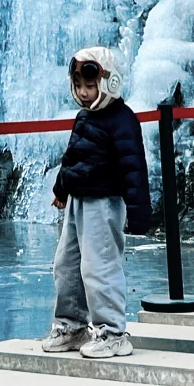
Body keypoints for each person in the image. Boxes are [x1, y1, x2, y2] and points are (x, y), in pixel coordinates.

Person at [41, 46, 151, 358]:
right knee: (67, 266)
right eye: (79, 86)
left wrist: (139, 214)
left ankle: (113, 332)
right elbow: (73, 158)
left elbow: (133, 169)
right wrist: (61, 191)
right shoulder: (85, 117)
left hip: (103, 204)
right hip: (78, 202)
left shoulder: (122, 121)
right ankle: (71, 326)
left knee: (99, 267)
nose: (85, 93)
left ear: (109, 83)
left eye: (90, 86)